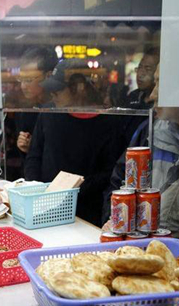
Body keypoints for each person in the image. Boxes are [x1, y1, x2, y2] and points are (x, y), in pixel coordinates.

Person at [25, 59, 123, 226]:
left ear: (79, 87)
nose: (53, 94)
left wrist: (75, 189)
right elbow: (34, 156)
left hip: (89, 214)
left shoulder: (108, 122)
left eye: (58, 89)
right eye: (51, 89)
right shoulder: (48, 114)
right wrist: (36, 192)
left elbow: (111, 171)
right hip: (45, 208)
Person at [102, 65, 179, 237]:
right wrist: (114, 220)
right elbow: (120, 182)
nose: (152, 96)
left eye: (160, 85)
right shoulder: (150, 132)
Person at [15, 47, 59, 155]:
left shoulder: (61, 110)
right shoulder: (26, 111)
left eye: (29, 80)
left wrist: (36, 148)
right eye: (21, 79)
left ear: (48, 76)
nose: (23, 86)